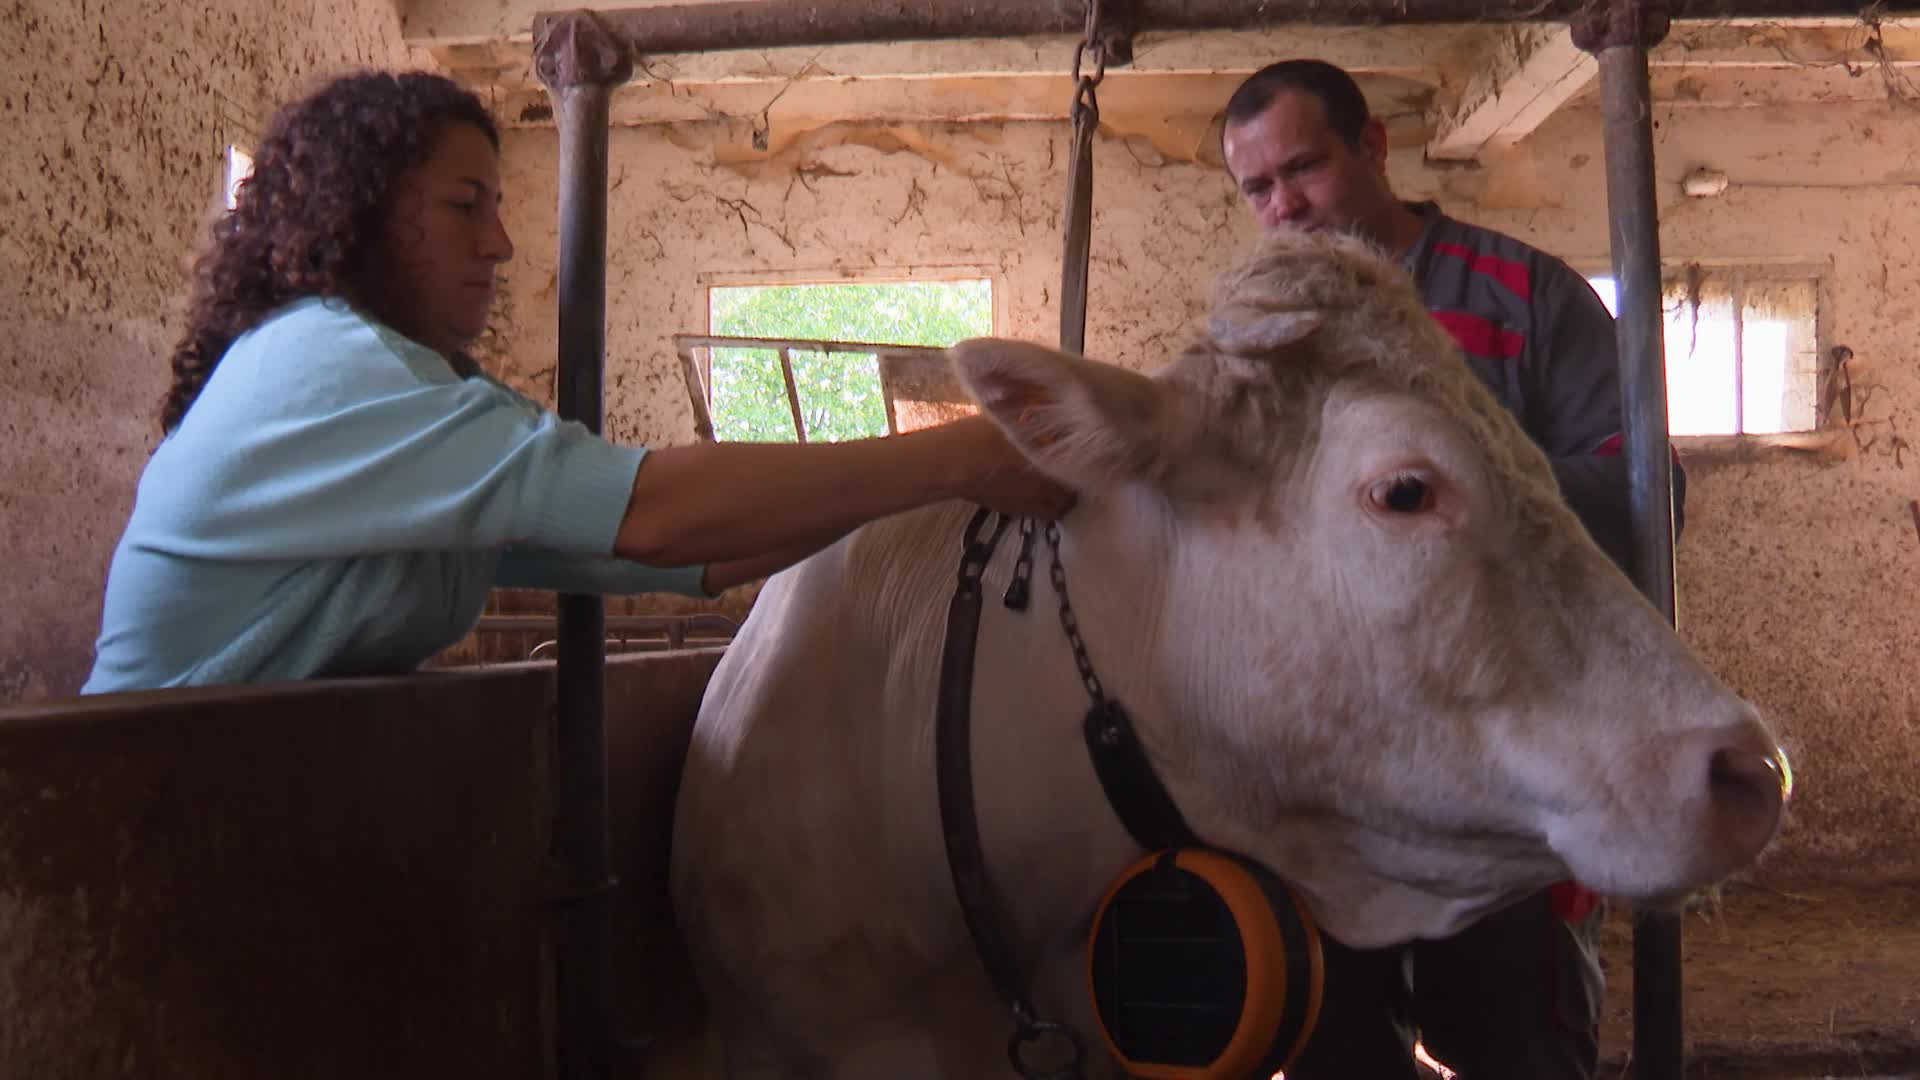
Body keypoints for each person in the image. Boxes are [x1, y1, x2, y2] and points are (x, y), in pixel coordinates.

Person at [82, 70, 1072, 693]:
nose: (502, 243)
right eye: (467, 207)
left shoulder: (420, 401)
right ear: (365, 214)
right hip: (138, 825)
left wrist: (940, 483)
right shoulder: (327, 368)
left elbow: (692, 559)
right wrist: (955, 451)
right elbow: (653, 517)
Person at [1218, 60, 1689, 1080]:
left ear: (1374, 148)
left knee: (1517, 1045)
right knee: (1337, 1050)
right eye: (1258, 188)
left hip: (1506, 774)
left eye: (1305, 167)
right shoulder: (1257, 344)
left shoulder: (1522, 296)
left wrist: (1451, 515)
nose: (1284, 204)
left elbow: (1644, 487)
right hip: (1328, 782)